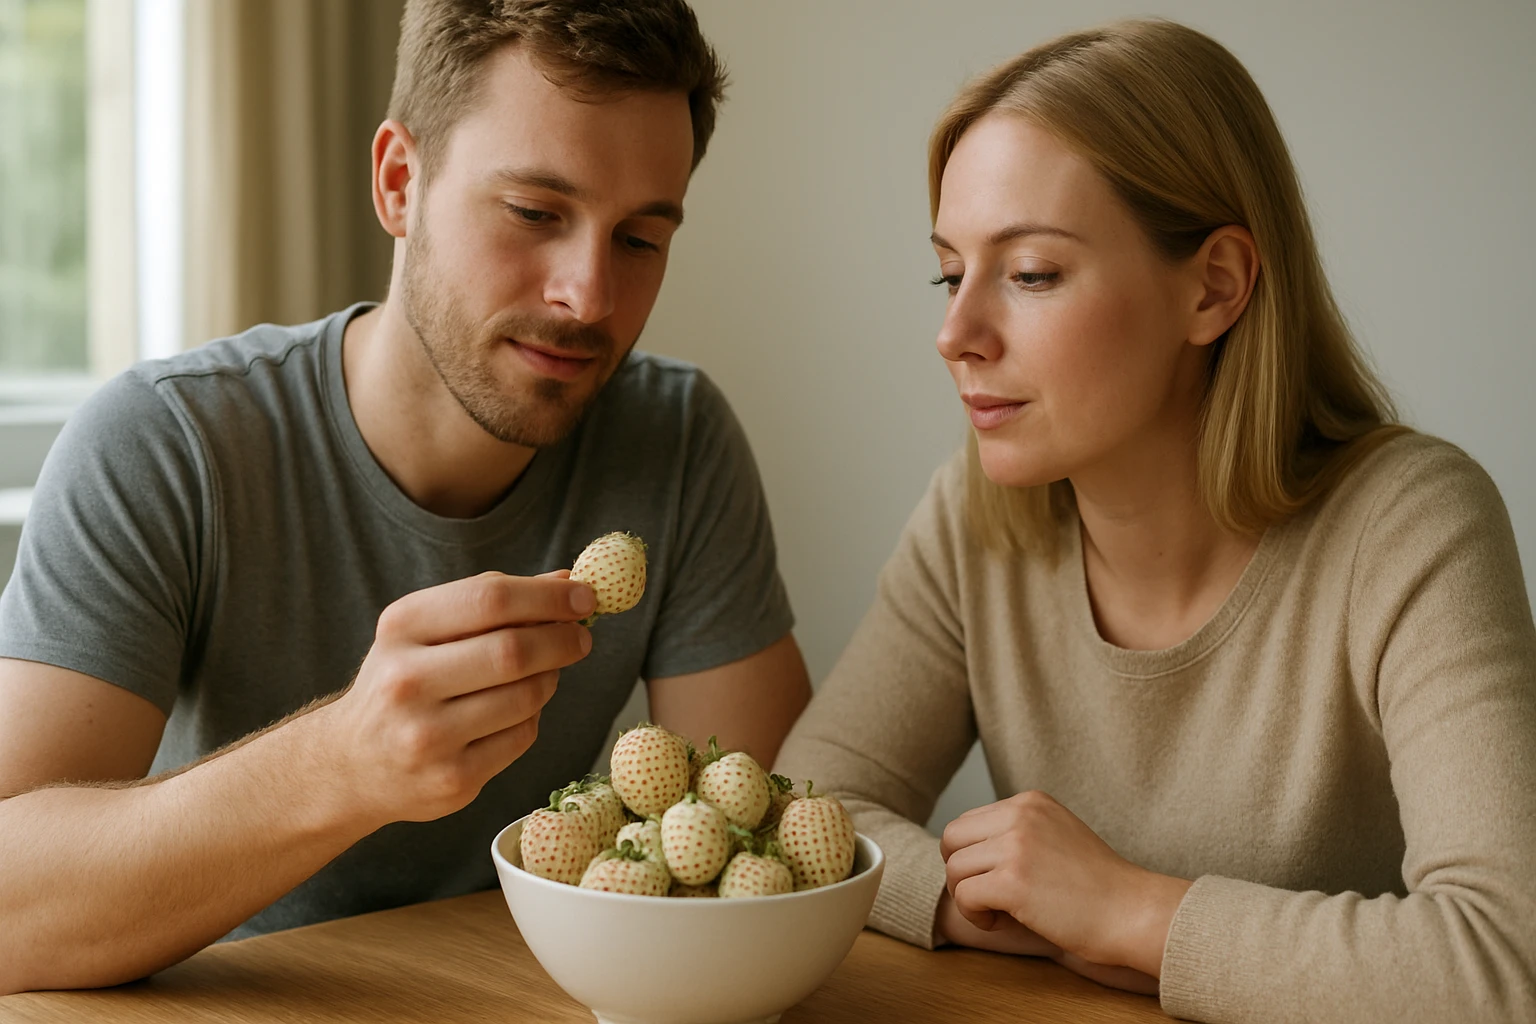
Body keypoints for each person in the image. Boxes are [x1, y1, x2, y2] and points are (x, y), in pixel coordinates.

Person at [0, 0, 811, 995]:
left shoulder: (677, 443)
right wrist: (341, 762)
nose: (589, 296)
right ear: (398, 181)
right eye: (533, 213)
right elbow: (9, 910)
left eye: (641, 239)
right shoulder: (166, 444)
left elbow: (757, 860)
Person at [774, 18, 1536, 1023]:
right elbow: (796, 820)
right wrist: (972, 898)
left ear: (1214, 286)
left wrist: (1128, 911)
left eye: (1031, 272)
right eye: (949, 272)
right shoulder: (974, 517)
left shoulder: (1413, 526)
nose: (955, 334)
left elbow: (1504, 955)